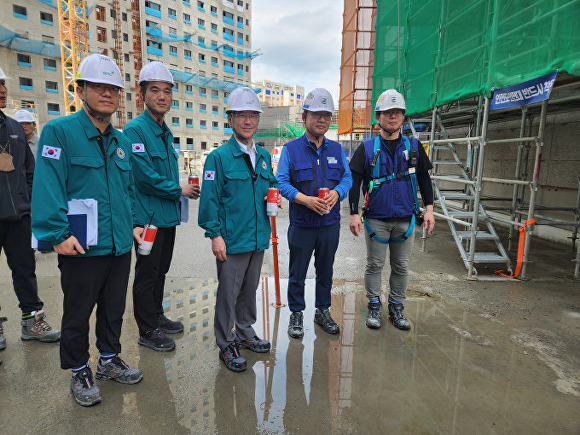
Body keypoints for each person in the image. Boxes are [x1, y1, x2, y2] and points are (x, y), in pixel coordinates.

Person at [31, 54, 143, 407]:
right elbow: (48, 185)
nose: (106, 94)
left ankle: (109, 359)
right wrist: (57, 233)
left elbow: (129, 192)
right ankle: (79, 369)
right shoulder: (59, 132)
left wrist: (136, 225)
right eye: (98, 87)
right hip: (80, 244)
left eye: (113, 89)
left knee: (113, 308)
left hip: (119, 243)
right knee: (78, 311)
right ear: (81, 90)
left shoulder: (123, 142)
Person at [198, 86, 280, 373]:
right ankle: (226, 341)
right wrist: (215, 235)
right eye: (241, 115)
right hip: (231, 240)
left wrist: (275, 196)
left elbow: (269, 187)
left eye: (252, 116)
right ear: (230, 119)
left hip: (257, 236)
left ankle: (245, 330)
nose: (247, 121)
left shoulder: (264, 156)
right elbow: (209, 200)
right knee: (228, 293)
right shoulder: (218, 158)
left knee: (249, 289)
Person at [124, 61, 200, 352]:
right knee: (147, 273)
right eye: (155, 90)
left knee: (160, 271)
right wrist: (179, 188)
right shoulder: (135, 131)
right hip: (147, 219)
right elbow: (144, 177)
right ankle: (146, 330)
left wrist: (179, 191)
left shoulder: (165, 132)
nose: (162, 96)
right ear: (143, 93)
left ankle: (155, 316)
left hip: (166, 217)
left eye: (167, 91)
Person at [348, 89, 435, 330]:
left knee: (401, 266)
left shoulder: (415, 147)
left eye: (397, 112)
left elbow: (425, 179)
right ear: (378, 117)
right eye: (387, 112)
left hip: (406, 219)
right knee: (374, 265)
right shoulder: (366, 149)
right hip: (377, 219)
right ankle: (374, 306)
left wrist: (429, 209)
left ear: (403, 116)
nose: (392, 116)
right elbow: (354, 183)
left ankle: (396, 308)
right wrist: (354, 213)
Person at [276, 88, 352, 338]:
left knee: (326, 269)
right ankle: (296, 313)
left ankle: (322, 311)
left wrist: (338, 193)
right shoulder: (291, 149)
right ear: (305, 117)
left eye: (326, 116)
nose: (322, 120)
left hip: (329, 224)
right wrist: (304, 200)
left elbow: (348, 178)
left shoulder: (337, 150)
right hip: (302, 224)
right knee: (297, 271)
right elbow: (282, 182)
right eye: (316, 115)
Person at [0, 67, 60, 355]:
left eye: (2, 83)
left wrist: (29, 204)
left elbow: (29, 171)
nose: (2, 89)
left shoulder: (14, 129)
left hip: (18, 216)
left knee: (25, 270)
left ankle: (31, 321)